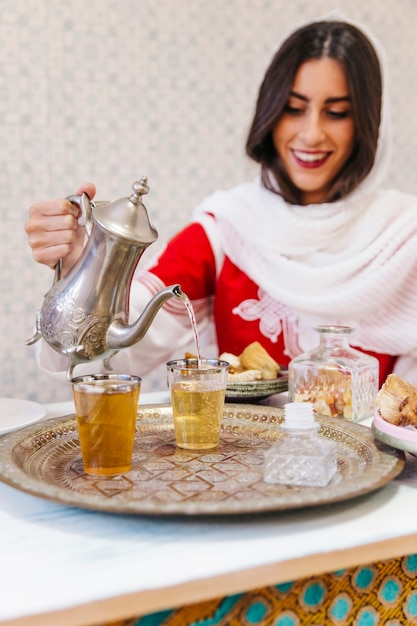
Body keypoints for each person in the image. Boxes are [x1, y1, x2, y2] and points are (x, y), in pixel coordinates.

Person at [25, 13, 417, 387]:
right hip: (248, 457)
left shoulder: (403, 237)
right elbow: (101, 354)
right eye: (294, 109)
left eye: (337, 113)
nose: (311, 134)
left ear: (367, 122)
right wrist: (88, 269)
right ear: (270, 112)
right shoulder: (226, 231)